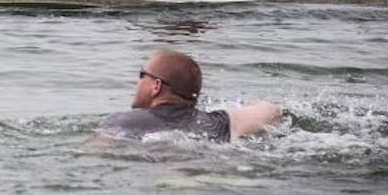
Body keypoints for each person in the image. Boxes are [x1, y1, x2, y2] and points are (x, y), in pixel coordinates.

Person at [98, 49, 281, 142]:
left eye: (141, 75)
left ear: (156, 86)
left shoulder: (121, 122)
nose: (136, 81)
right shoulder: (218, 122)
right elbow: (272, 110)